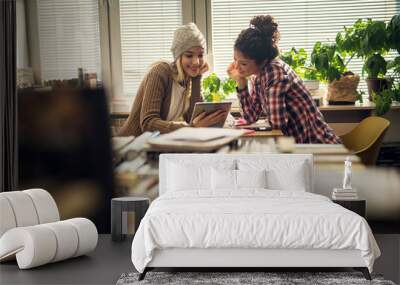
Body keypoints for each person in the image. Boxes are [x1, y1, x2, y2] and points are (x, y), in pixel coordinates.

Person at [227, 15, 341, 144]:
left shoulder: (274, 72)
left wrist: (264, 122)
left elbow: (277, 123)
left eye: (243, 64)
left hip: (317, 146)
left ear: (261, 61)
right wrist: (241, 82)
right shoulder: (258, 75)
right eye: (235, 60)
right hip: (299, 146)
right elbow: (250, 116)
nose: (236, 67)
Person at [118, 23, 226, 136]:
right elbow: (148, 123)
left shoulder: (187, 79)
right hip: (132, 146)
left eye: (200, 55)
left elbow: (192, 118)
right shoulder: (160, 72)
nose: (196, 62)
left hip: (153, 146)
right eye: (189, 55)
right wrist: (191, 127)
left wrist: (196, 78)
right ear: (178, 56)